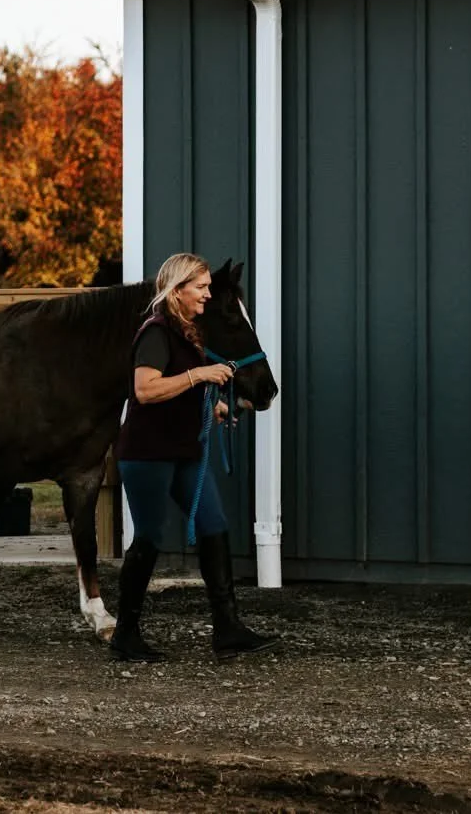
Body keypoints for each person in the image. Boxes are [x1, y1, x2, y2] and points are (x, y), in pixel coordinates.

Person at [109, 251, 277, 662]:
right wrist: (199, 375)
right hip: (148, 453)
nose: (206, 294)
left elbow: (180, 391)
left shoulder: (189, 334)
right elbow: (146, 390)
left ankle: (228, 629)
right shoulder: (156, 332)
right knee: (149, 535)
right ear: (178, 290)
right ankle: (125, 634)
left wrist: (214, 406)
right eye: (200, 287)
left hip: (185, 449)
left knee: (214, 525)